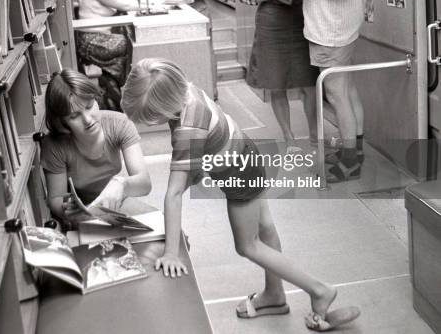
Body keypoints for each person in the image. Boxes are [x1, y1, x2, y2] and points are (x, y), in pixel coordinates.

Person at [121, 58, 360, 332]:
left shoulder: (187, 129)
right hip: (248, 152)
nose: (152, 123)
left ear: (166, 106)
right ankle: (274, 295)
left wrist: (172, 253)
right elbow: (197, 165)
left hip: (239, 175)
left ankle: (319, 290)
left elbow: (173, 193)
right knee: (266, 229)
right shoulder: (184, 88)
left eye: (152, 117)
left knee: (247, 245)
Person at [282, 0, 365, 182]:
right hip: (339, 28)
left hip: (332, 32)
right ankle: (355, 152)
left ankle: (350, 162)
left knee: (337, 94)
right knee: (347, 90)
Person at [236, 0, 319, 152]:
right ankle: (289, 139)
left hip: (298, 17)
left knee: (308, 81)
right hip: (271, 21)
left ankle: (315, 135)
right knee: (276, 82)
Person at [40, 69, 151, 226]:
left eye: (89, 105)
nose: (87, 119)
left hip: (117, 202)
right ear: (62, 122)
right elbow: (55, 198)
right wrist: (67, 210)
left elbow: (144, 183)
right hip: (82, 212)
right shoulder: (54, 144)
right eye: (74, 116)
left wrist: (120, 184)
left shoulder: (119, 123)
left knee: (166, 237)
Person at [75, 0, 141, 110]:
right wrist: (148, 5)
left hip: (91, 39)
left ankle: (112, 89)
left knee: (122, 53)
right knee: (130, 45)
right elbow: (123, 5)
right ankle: (119, 90)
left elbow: (118, 2)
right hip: (93, 41)